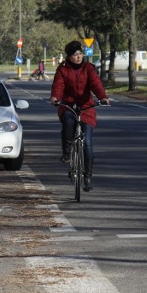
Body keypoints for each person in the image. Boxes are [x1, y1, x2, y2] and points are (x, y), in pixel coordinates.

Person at [49, 40, 110, 192]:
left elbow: (95, 83)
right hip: (68, 105)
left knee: (87, 143)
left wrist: (102, 97)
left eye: (80, 54)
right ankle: (67, 152)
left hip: (86, 107)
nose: (78, 57)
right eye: (75, 55)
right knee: (68, 122)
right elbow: (58, 85)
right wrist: (55, 97)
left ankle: (87, 176)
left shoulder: (89, 68)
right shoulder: (62, 69)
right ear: (69, 56)